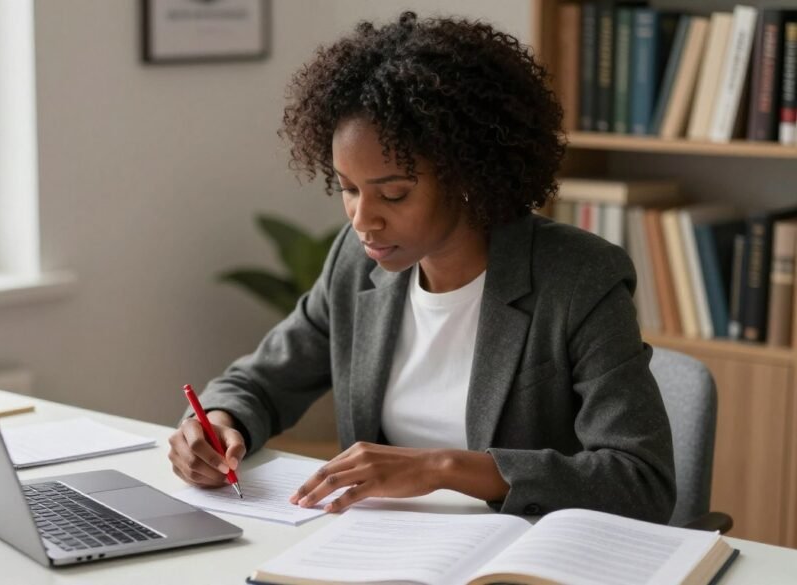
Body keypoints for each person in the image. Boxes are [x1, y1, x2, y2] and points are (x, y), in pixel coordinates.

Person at [167, 11, 676, 523]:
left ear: (467, 176)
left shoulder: (577, 279)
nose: (363, 219)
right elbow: (260, 381)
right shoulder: (355, 260)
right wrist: (216, 423)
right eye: (348, 189)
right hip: (381, 551)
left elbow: (641, 480)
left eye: (393, 193)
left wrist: (446, 467)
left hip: (517, 555)